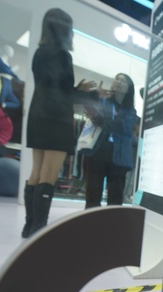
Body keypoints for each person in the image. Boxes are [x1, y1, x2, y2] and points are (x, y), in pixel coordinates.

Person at [23, 8, 97, 237]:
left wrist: (76, 89)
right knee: (48, 176)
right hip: (56, 120)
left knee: (36, 173)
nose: (72, 33)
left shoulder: (39, 53)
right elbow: (65, 96)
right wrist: (90, 94)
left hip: (37, 116)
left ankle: (29, 226)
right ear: (64, 29)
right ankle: (38, 229)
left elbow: (53, 89)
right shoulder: (63, 56)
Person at [83, 73, 138, 209]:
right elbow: (89, 108)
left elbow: (124, 127)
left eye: (122, 80)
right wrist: (96, 94)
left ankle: (112, 223)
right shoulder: (103, 101)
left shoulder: (131, 111)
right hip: (97, 153)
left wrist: (102, 120)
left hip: (119, 158)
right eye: (116, 79)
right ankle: (90, 222)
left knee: (115, 200)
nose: (118, 81)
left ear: (129, 89)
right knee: (92, 197)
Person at [0, 45, 22, 109]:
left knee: (17, 103)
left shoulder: (8, 63)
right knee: (0, 103)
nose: (12, 53)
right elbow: (6, 71)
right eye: (11, 51)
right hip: (3, 83)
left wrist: (19, 81)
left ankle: (4, 105)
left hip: (9, 85)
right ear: (6, 50)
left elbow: (12, 74)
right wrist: (14, 69)